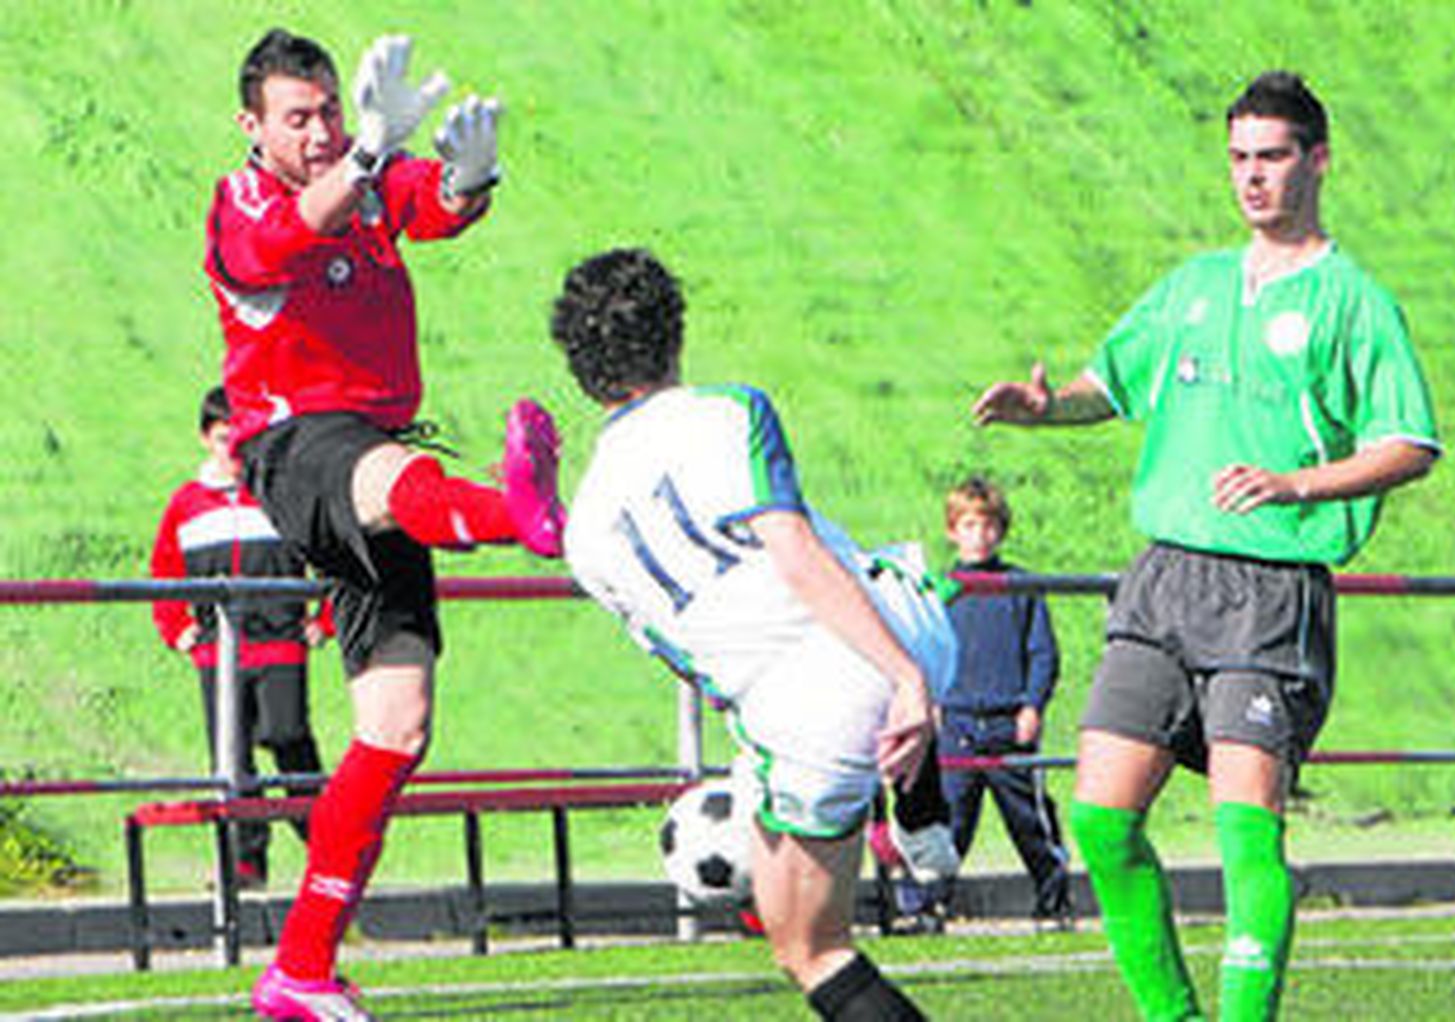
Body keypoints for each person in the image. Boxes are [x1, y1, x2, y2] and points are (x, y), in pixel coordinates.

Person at [972, 71, 1440, 1020]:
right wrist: (1046, 407)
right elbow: (1112, 384)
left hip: (1268, 590)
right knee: (1101, 822)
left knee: (1245, 835)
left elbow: (1410, 444)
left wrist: (1299, 483)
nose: (1252, 178)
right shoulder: (1193, 286)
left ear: (1318, 160)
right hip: (1161, 581)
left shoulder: (1354, 301)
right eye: (1238, 159)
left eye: (1271, 157)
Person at [205, 29, 565, 1019]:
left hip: (374, 456)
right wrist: (364, 149)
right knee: (395, 474)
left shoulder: (363, 178)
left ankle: (301, 967)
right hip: (297, 447)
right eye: (299, 117)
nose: (318, 132)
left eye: (328, 110)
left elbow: (433, 209)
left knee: (397, 724)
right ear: (253, 127)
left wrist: (471, 176)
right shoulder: (244, 198)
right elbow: (282, 241)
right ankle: (522, 512)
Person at [555, 247, 949, 1020]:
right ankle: (923, 812)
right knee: (793, 917)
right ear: (675, 334)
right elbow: (795, 550)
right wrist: (908, 675)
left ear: (579, 368)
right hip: (903, 619)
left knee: (812, 950)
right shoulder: (728, 410)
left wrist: (893, 685)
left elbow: (697, 643)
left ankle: (917, 806)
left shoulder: (585, 529)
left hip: (814, 706)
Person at [150, 386, 330, 891]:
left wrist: (326, 619)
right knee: (231, 756)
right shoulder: (185, 504)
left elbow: (331, 554)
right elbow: (164, 572)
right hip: (215, 652)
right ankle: (246, 861)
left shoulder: (280, 494)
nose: (232, 449)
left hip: (281, 643)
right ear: (206, 439)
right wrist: (178, 628)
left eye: (241, 439)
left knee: (287, 734)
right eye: (223, 438)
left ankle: (322, 843)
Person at [934, 476, 1073, 928]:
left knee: (1030, 821)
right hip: (955, 723)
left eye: (989, 526)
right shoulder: (939, 588)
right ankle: (931, 904)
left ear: (1001, 530)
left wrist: (1031, 706)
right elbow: (925, 650)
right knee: (947, 823)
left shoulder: (1021, 585)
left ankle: (1054, 903)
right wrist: (932, 704)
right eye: (970, 525)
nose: (980, 535)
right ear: (953, 530)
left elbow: (1043, 653)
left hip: (1008, 723)